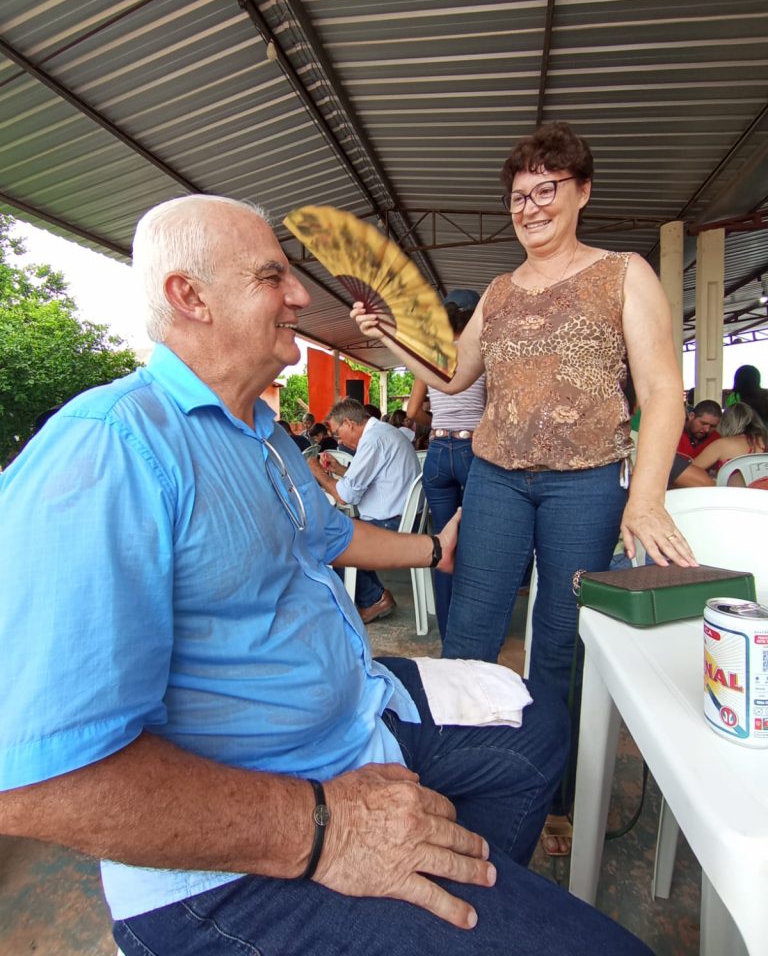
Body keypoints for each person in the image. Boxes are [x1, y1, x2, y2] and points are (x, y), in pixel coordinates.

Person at [0, 195, 654, 956]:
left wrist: (431, 550)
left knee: (538, 720)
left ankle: (449, 882)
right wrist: (324, 831)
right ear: (190, 296)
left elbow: (333, 534)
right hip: (240, 853)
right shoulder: (111, 449)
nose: (302, 295)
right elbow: (35, 780)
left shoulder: (262, 432)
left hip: (356, 716)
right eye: (272, 276)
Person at [353, 121, 696, 856]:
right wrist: (388, 335)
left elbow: (664, 390)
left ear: (581, 193)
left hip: (587, 483)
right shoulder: (503, 292)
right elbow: (451, 375)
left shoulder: (623, 272)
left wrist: (646, 496)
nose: (532, 206)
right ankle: (453, 784)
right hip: (499, 477)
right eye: (519, 195)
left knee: (560, 645)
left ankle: (554, 797)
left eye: (548, 190)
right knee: (471, 636)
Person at [406, 289, 487, 640]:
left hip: (437, 452)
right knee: (476, 541)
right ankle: (471, 629)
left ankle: (447, 632)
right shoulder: (481, 354)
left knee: (442, 541)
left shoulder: (429, 356)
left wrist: (439, 416)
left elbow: (411, 413)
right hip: (473, 450)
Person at [308, 398, 421, 622]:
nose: (339, 439)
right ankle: (373, 596)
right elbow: (366, 481)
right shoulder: (383, 432)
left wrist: (316, 472)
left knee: (333, 539)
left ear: (349, 423)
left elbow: (345, 496)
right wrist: (338, 468)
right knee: (340, 527)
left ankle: (372, 599)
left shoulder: (373, 440)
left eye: (338, 433)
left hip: (393, 523)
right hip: (403, 516)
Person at [691, 402, 768, 484]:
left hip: (732, 495)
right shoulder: (765, 441)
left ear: (725, 423)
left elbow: (688, 472)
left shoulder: (722, 445)